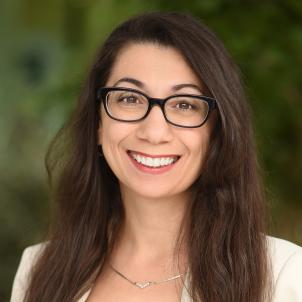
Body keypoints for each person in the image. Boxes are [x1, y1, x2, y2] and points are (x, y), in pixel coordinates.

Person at [10, 11, 302, 302]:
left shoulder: (283, 275)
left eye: (185, 105)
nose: (154, 131)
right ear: (98, 124)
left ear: (216, 132)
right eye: (129, 99)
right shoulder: (38, 270)